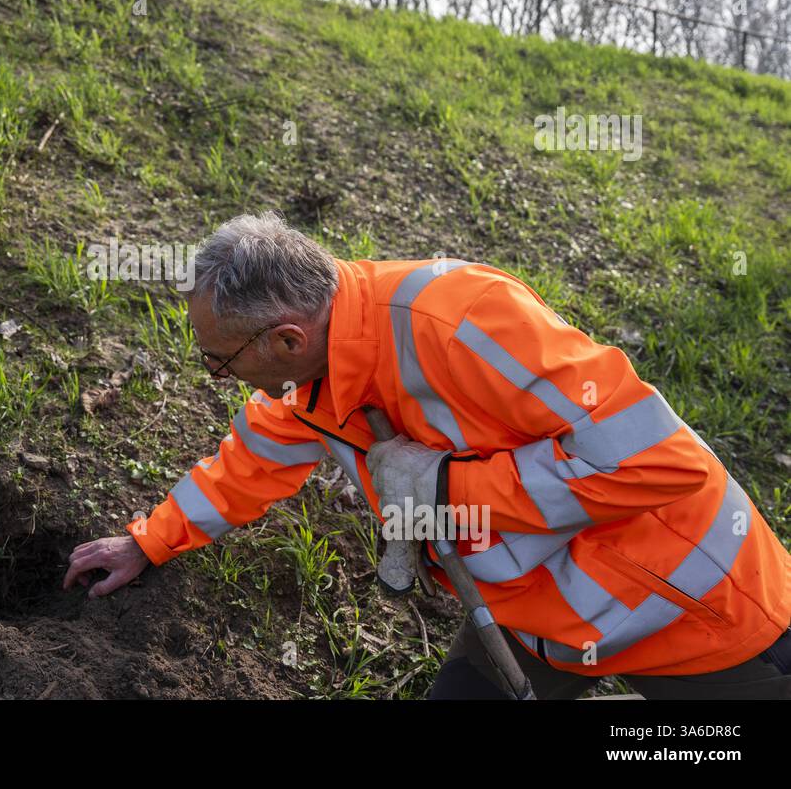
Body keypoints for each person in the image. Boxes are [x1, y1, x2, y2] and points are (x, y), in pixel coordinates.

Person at [62, 211, 791, 698]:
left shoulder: (466, 321)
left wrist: (448, 488)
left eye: (220, 363)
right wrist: (145, 543)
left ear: (284, 339)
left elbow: (664, 463)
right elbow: (248, 463)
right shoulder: (316, 377)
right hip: (535, 621)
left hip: (699, 619)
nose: (220, 378)